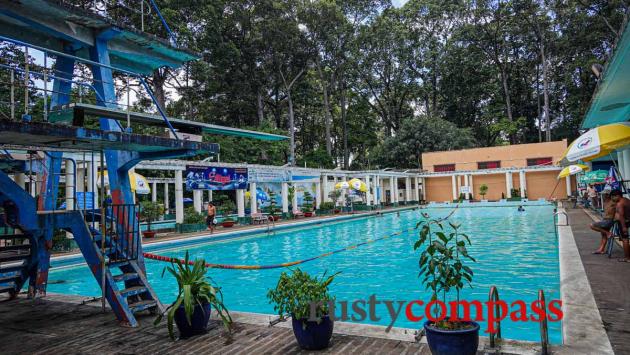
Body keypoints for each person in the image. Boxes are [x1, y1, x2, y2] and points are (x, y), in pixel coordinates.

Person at [611, 190, 630, 262]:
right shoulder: (627, 200)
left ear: (617, 196)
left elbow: (621, 216)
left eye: (613, 197)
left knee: (625, 240)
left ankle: (627, 258)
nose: (612, 199)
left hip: (625, 222)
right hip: (628, 220)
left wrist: (623, 227)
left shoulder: (620, 203)